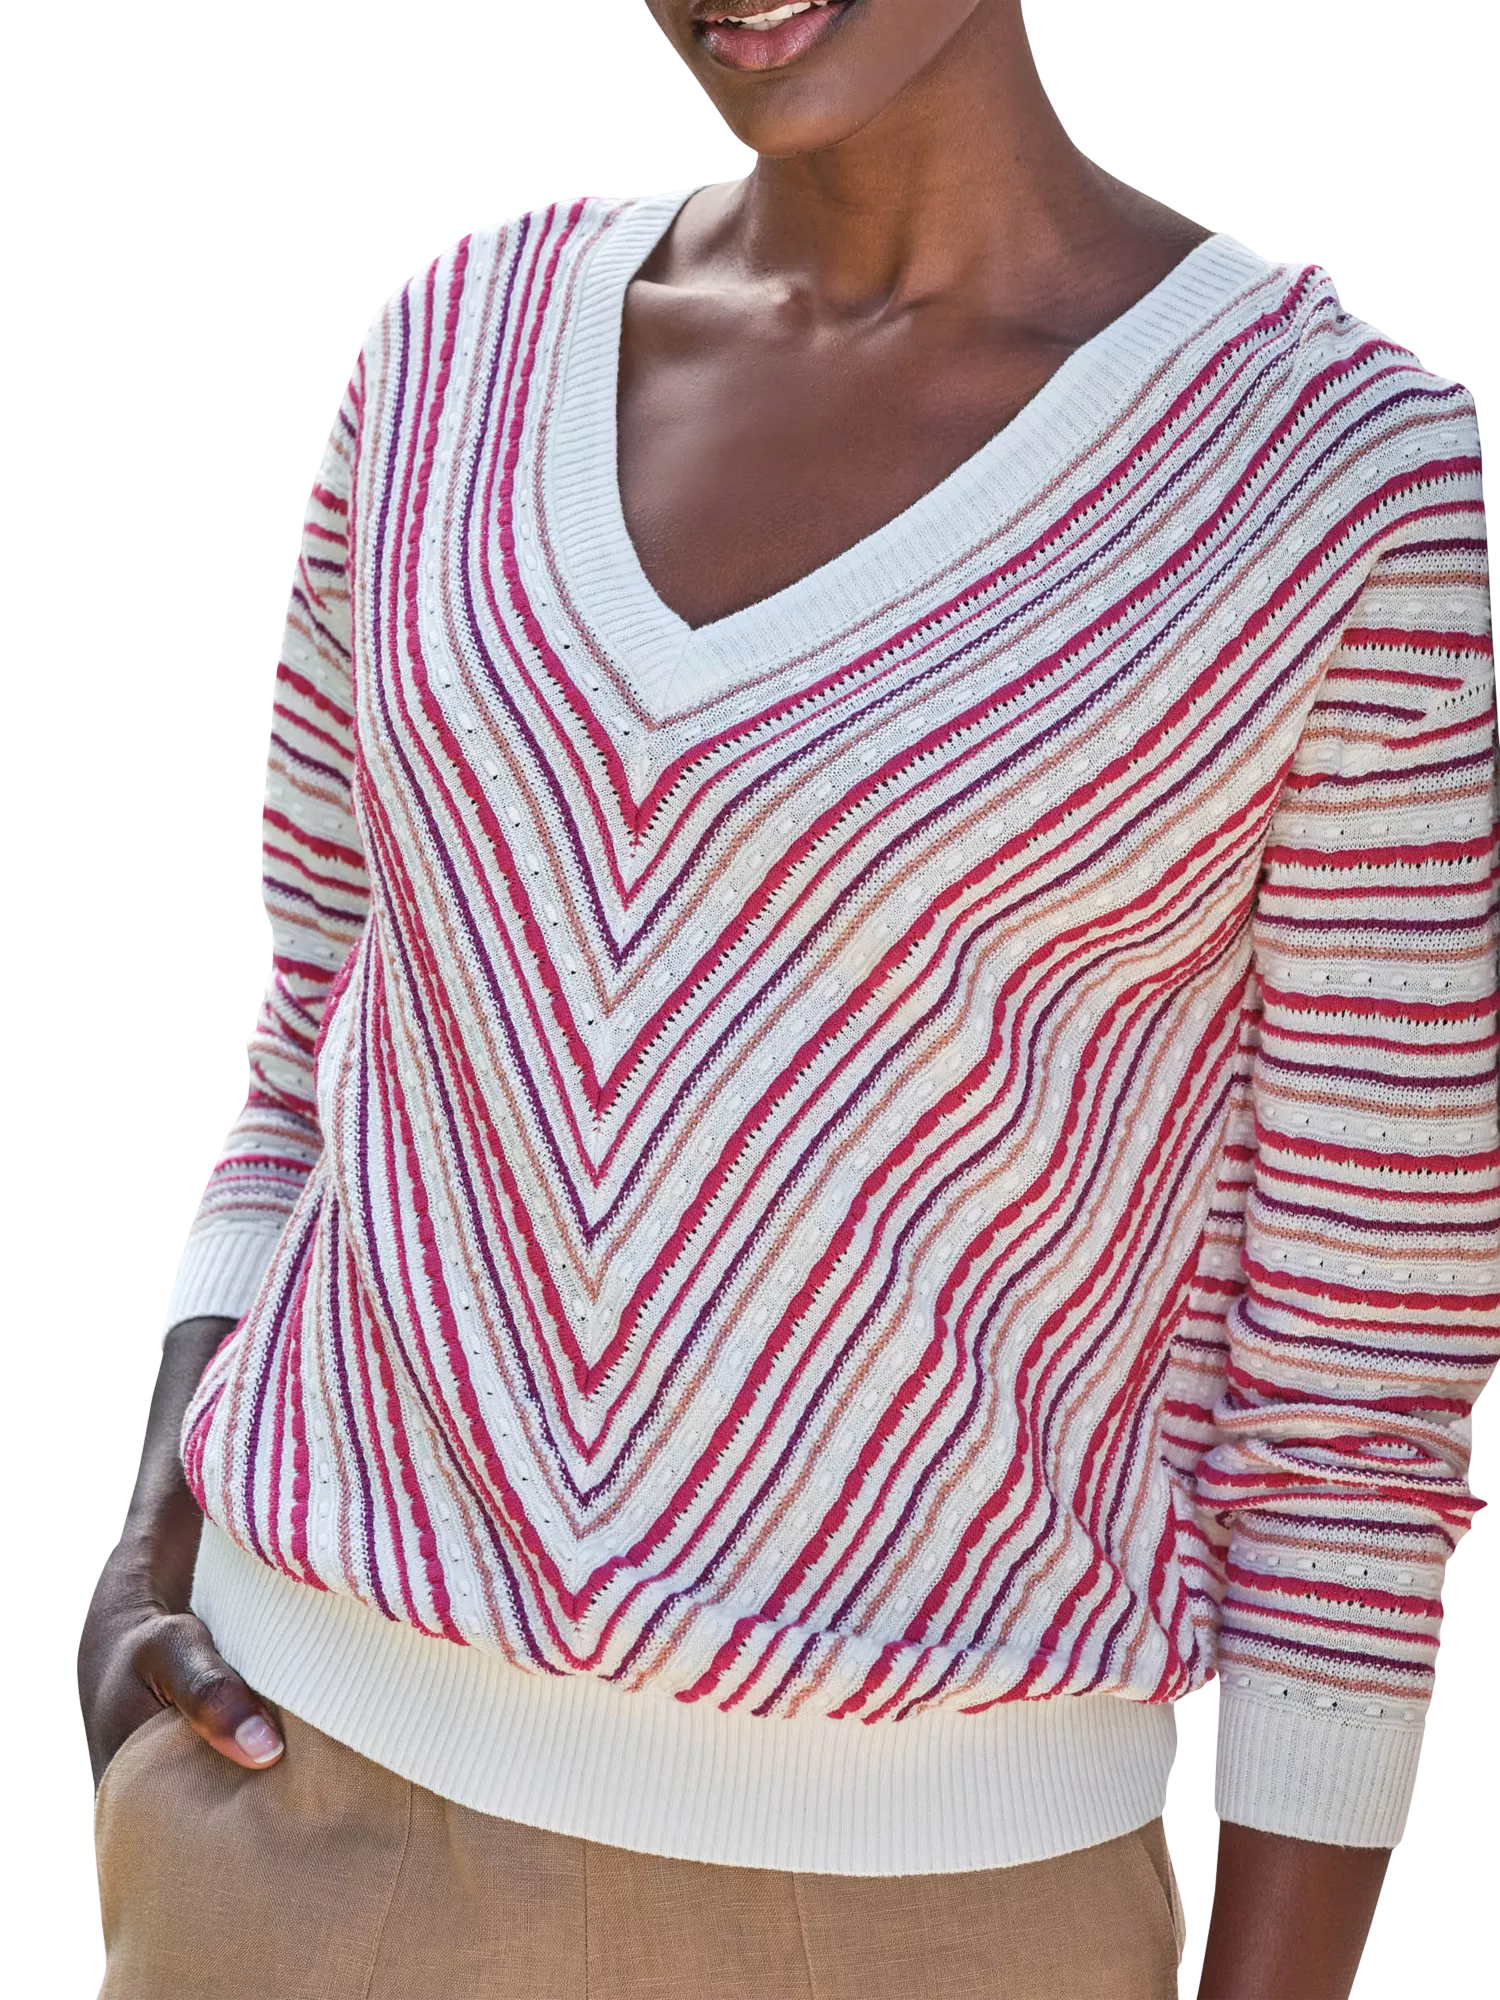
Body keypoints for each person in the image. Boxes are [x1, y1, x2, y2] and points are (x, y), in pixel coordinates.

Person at [80, 3, 1498, 1996]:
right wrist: (145, 1542)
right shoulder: (452, 356)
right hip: (289, 1834)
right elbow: (319, 1026)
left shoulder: (1331, 480)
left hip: (933, 1915)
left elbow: (1355, 1381)